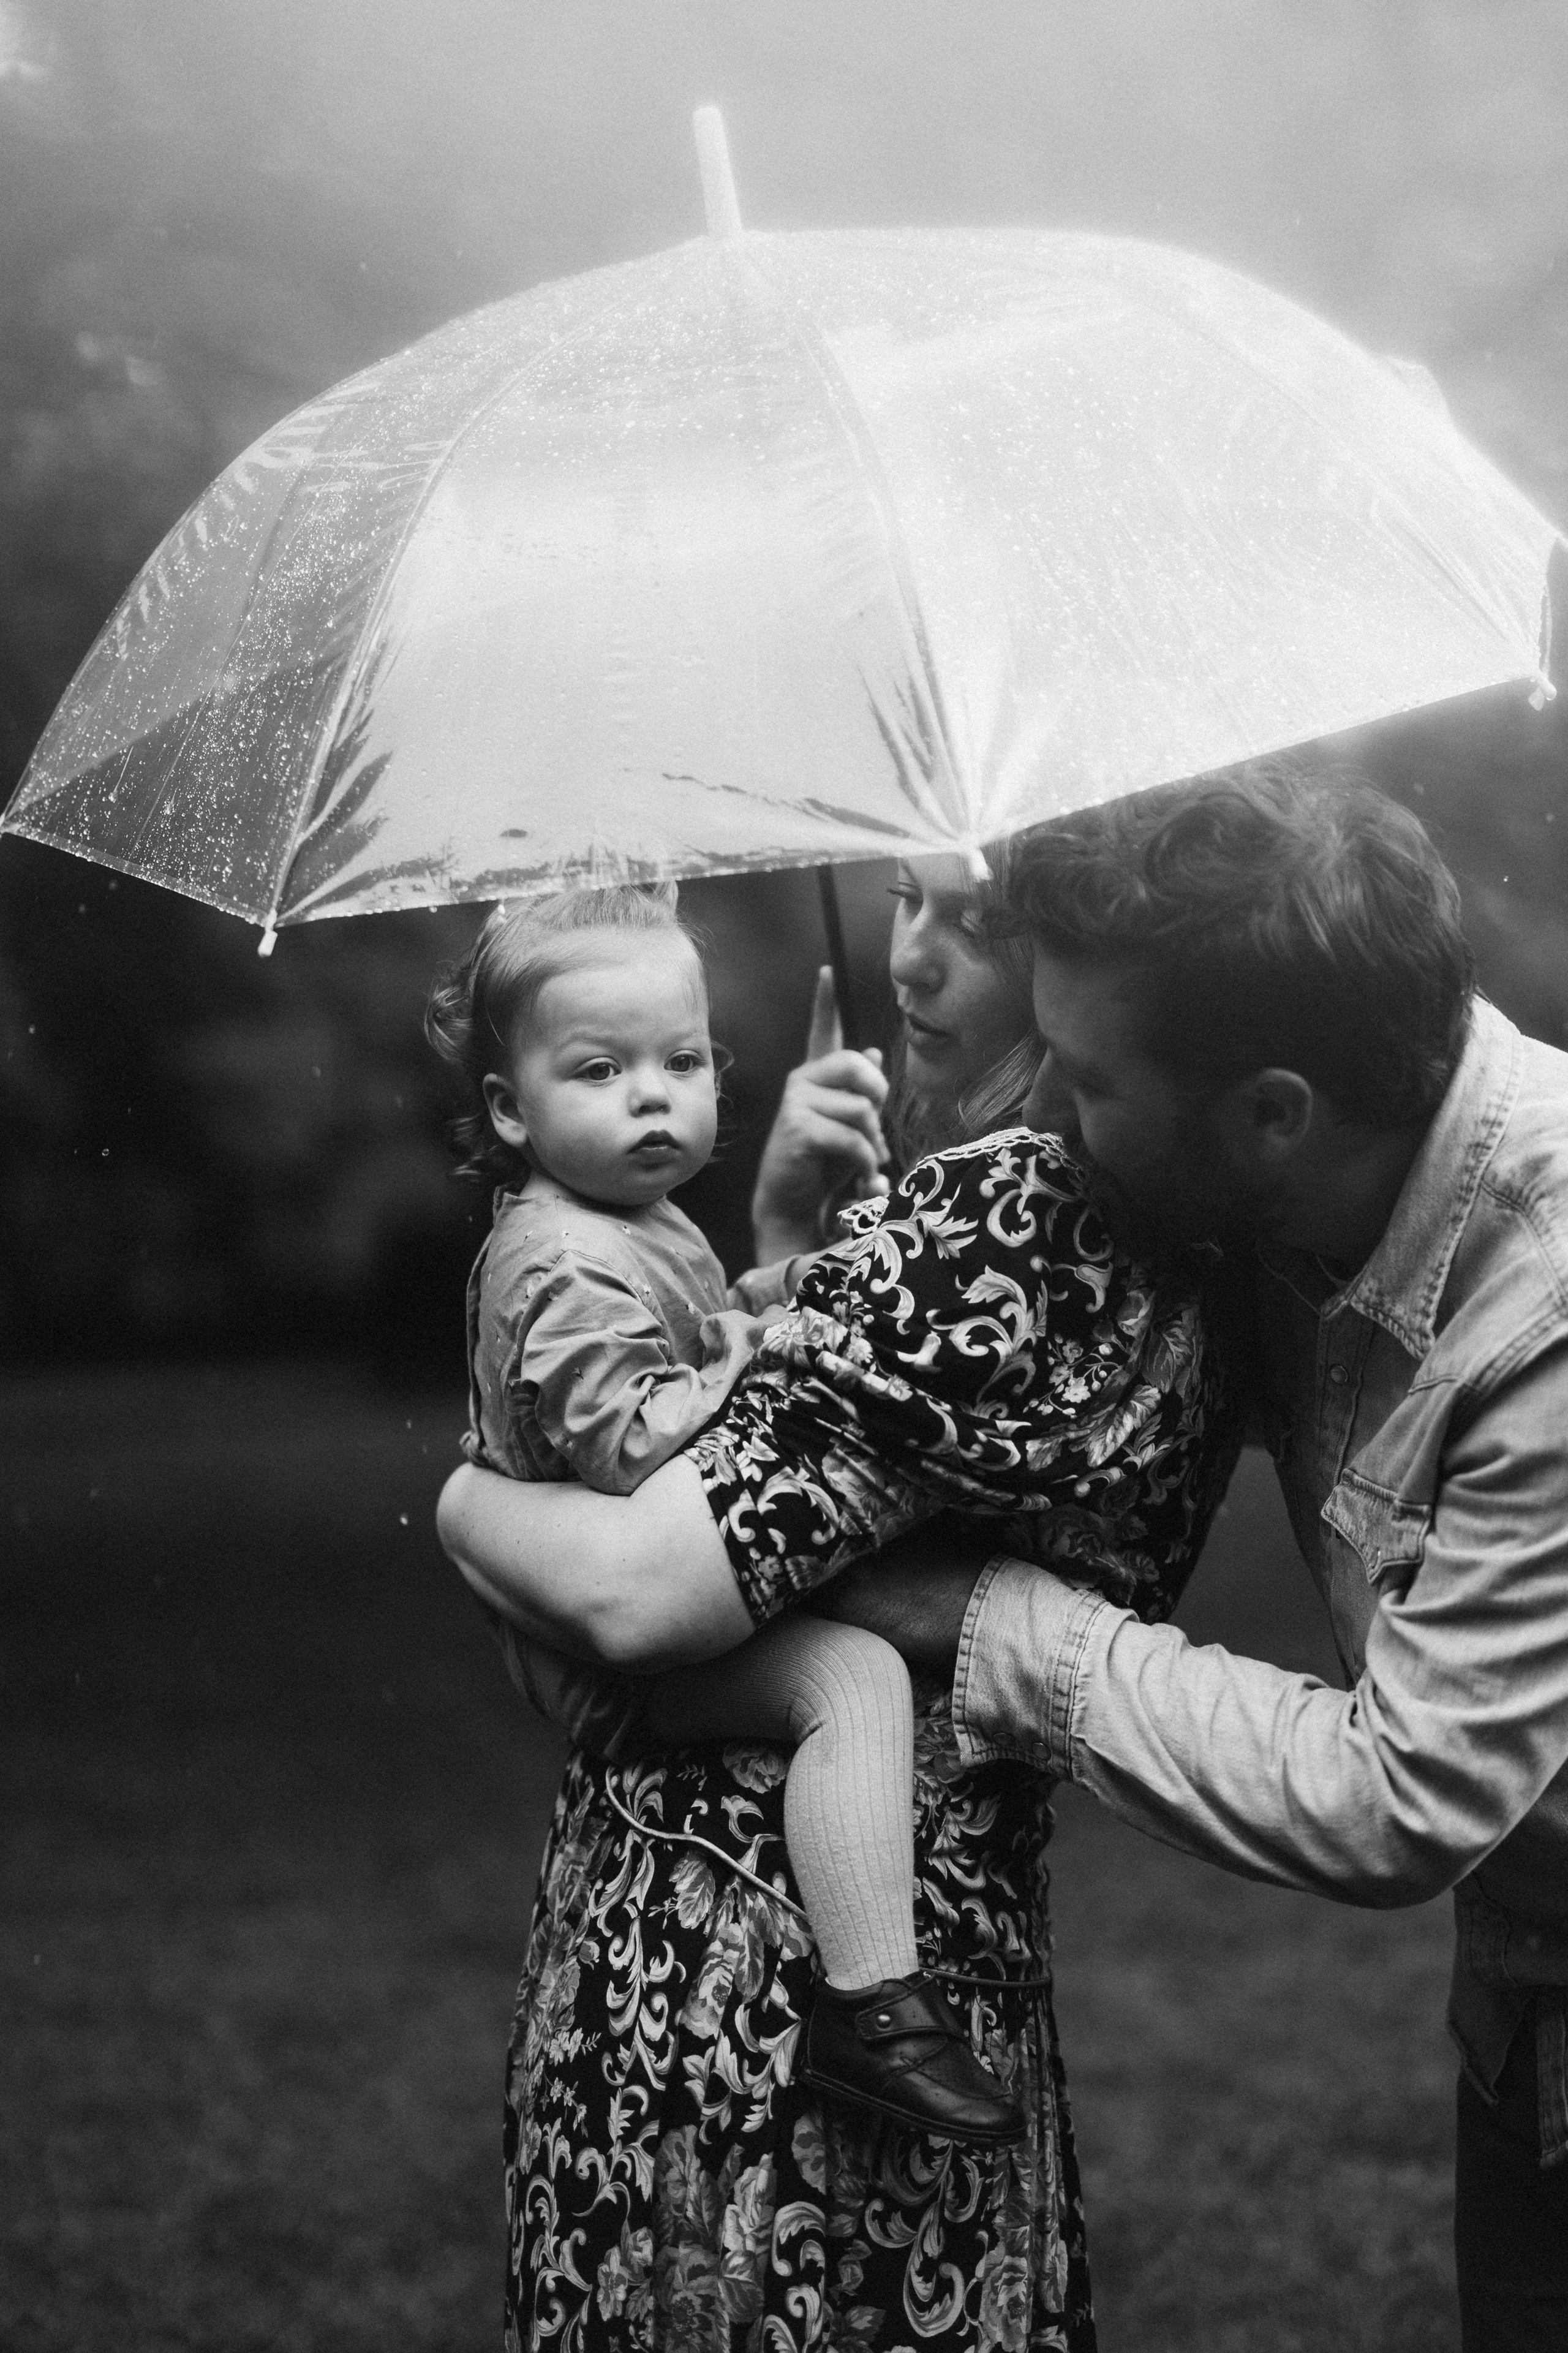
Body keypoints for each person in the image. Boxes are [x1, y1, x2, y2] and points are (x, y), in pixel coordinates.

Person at [438, 852, 1243, 2353]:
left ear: (1089, 956)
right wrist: (798, 1254)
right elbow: (781, 1462)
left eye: (982, 917)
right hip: (911, 1940)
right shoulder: (1158, 1203)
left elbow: (663, 1571)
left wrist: (468, 1504)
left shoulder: (1010, 1210)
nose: (918, 958)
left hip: (749, 1975)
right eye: (905, 899)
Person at [836, 764, 1568, 2352]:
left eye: (1089, 1081)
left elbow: (1405, 1795)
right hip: (1529, 1984)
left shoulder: (1549, 1302)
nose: (1056, 1114)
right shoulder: (1300, 1184)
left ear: (1271, 1114)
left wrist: (993, 1627)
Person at [424, 880, 1020, 2142]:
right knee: (849, 1675)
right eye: (599, 1069)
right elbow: (631, 1443)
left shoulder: (630, 1220)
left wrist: (777, 1285)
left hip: (620, 1621)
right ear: (506, 1109)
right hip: (603, 1654)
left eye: (681, 1060)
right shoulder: (559, 1257)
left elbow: (696, 1339)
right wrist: (751, 1349)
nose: (652, 1093)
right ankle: (875, 2007)